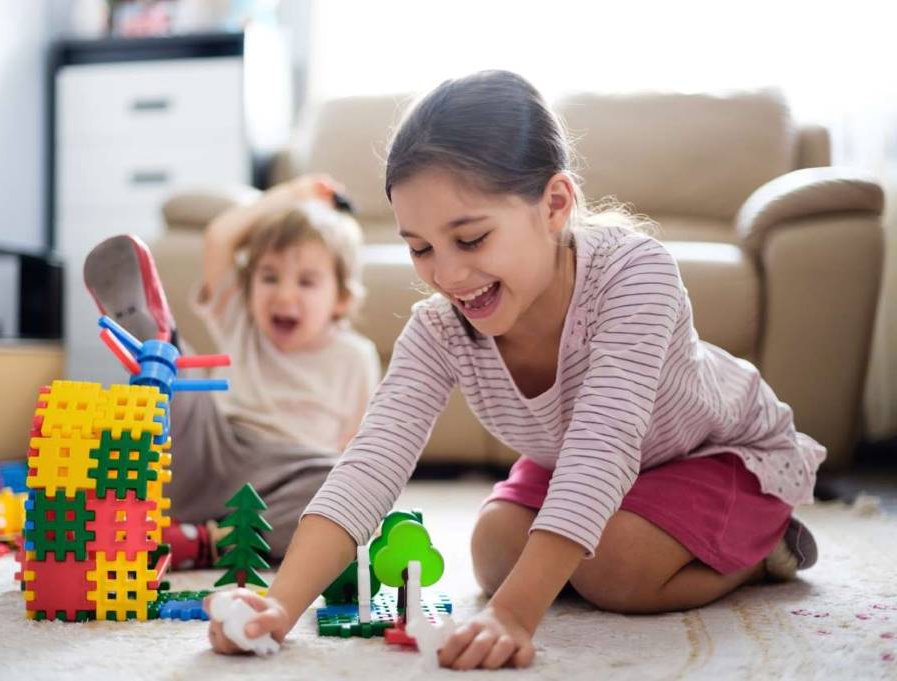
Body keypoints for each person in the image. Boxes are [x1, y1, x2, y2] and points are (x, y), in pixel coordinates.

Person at [206, 70, 825, 670]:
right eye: (420, 248)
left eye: (470, 240)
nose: (446, 275)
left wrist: (514, 616)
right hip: (574, 458)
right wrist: (280, 604)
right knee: (495, 550)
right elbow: (370, 462)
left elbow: (603, 444)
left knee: (618, 570)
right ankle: (638, 540)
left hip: (708, 451)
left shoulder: (636, 274)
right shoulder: (439, 328)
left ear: (554, 204)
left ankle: (766, 545)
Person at [82, 175, 381, 566]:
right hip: (215, 447)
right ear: (248, 284)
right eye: (269, 277)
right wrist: (294, 193)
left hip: (290, 476)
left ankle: (204, 541)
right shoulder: (241, 321)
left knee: (354, 499)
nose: (284, 295)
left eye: (306, 282)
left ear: (341, 298)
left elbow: (361, 445)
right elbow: (220, 237)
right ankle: (155, 344)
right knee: (179, 384)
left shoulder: (356, 356)